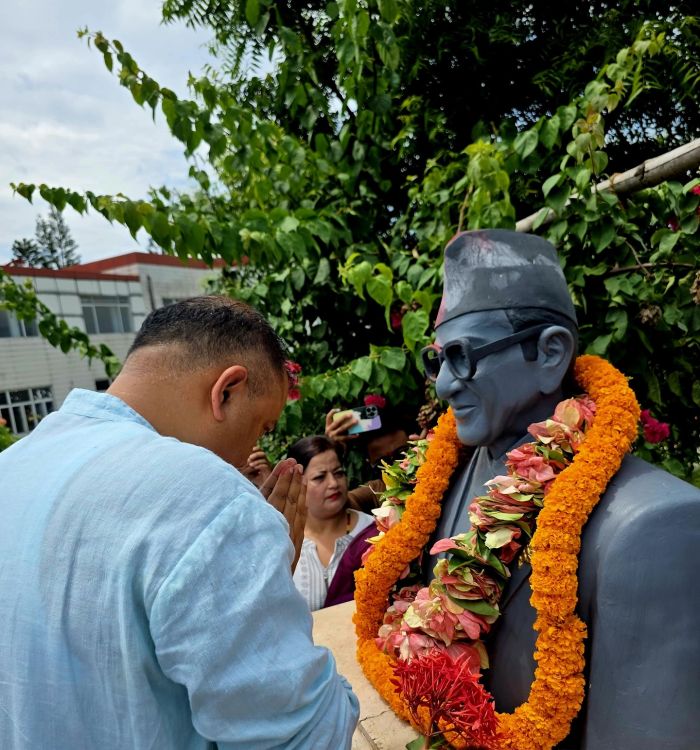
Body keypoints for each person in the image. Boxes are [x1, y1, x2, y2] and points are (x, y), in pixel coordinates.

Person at [0, 296, 359, 750]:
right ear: (226, 391)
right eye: (261, 428)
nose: (250, 455)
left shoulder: (12, 465)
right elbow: (308, 736)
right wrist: (263, 574)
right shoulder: (210, 497)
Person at [423, 229, 700, 749]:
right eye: (436, 359)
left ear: (551, 353)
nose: (443, 384)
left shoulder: (654, 528)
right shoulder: (444, 476)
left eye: (462, 356)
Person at [288, 435, 376, 610]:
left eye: (339, 473)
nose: (333, 483)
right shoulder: (287, 544)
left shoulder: (373, 533)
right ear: (297, 484)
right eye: (320, 477)